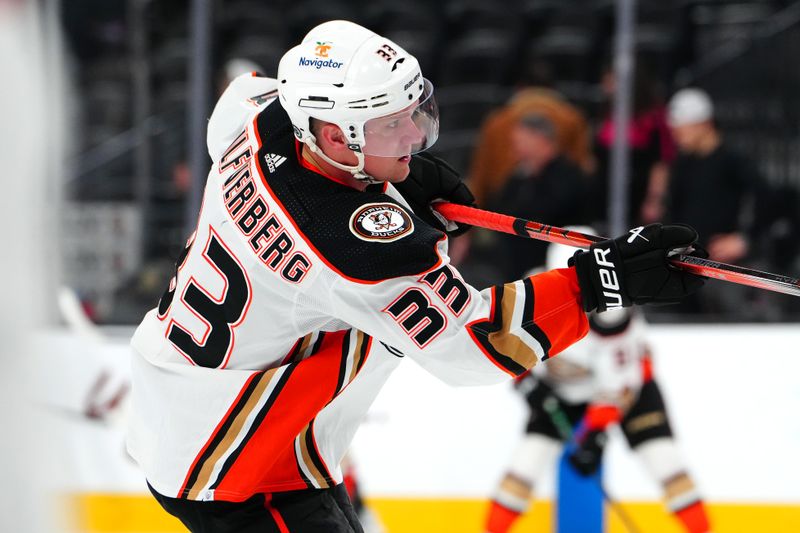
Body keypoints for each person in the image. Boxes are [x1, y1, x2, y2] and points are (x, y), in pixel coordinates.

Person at [126, 20, 706, 532]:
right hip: (235, 461)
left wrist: (390, 177)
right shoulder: (354, 248)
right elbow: (476, 347)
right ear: (335, 137)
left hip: (189, 400)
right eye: (391, 126)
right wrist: (595, 283)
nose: (412, 136)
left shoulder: (258, 119)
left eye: (413, 114)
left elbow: (245, 96)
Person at [484, 237, 712, 533]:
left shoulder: (613, 309)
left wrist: (595, 432)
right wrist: (527, 383)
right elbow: (503, 339)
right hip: (561, 391)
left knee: (665, 463)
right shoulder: (530, 289)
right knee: (525, 465)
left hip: (629, 389)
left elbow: (619, 384)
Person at [660, 87, 764, 314]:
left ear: (703, 123)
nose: (676, 135)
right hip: (686, 267)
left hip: (722, 268)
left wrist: (745, 239)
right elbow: (673, 213)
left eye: (681, 129)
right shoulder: (683, 165)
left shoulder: (733, 161)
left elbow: (766, 200)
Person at [486, 112, 591, 280]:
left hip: (556, 265)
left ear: (540, 138)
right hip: (516, 269)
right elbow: (498, 208)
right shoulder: (520, 177)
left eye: (520, 141)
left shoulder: (566, 175)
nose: (515, 148)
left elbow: (547, 213)